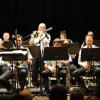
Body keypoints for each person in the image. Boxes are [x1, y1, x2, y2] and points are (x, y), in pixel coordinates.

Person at [29, 23, 51, 87]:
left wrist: (41, 35)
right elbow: (30, 43)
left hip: (44, 55)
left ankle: (44, 86)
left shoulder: (47, 35)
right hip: (36, 54)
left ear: (44, 29)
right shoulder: (36, 35)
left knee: (43, 71)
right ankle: (35, 84)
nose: (39, 29)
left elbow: (45, 42)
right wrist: (33, 36)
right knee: (34, 70)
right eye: (39, 27)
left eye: (41, 28)